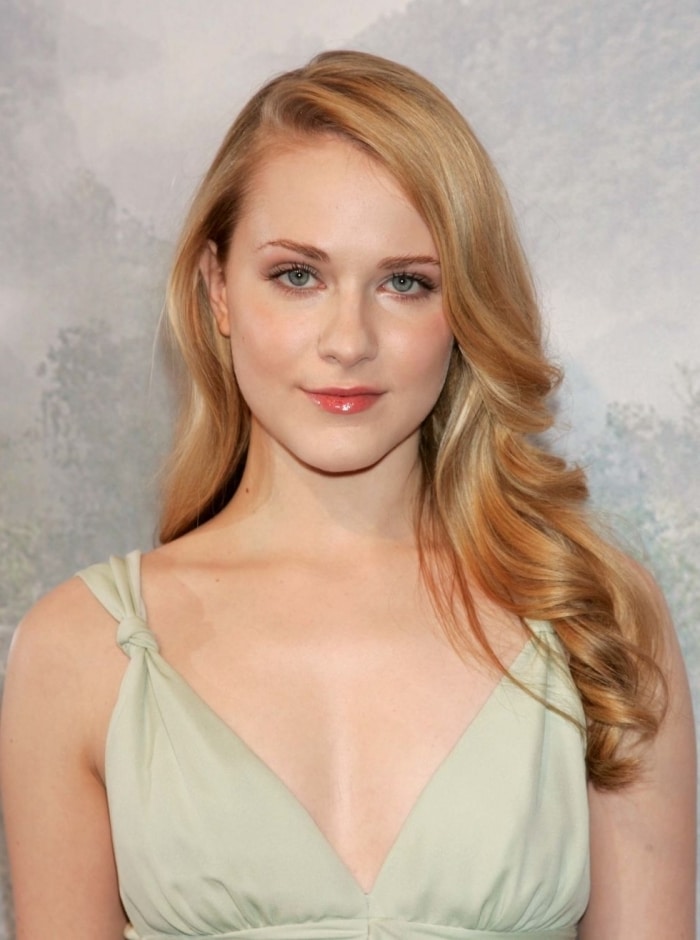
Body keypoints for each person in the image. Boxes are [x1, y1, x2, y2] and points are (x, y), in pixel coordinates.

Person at [0, 50, 695, 940]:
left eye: (406, 282)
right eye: (299, 275)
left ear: (466, 307)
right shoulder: (80, 651)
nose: (348, 340)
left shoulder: (596, 621)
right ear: (217, 289)